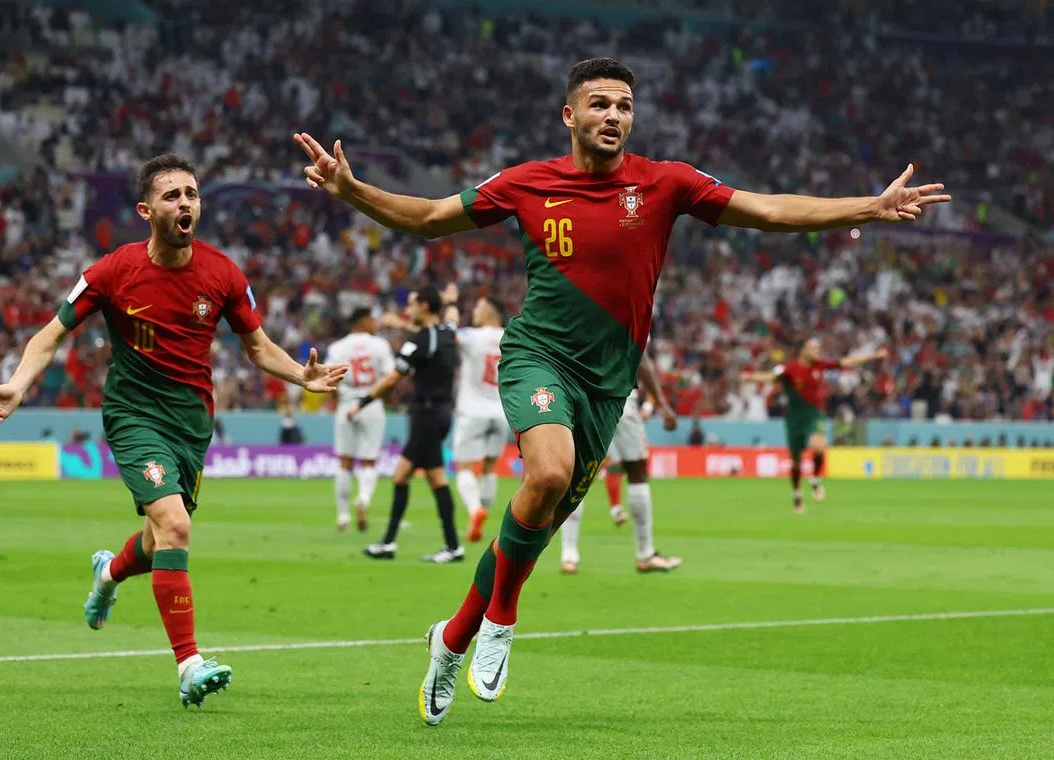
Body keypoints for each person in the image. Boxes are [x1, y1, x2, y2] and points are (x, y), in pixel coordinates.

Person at [294, 57, 948, 726]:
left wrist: (870, 206)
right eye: (600, 103)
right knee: (548, 473)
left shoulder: (666, 183)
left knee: (535, 526)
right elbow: (432, 216)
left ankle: (452, 639)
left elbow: (770, 209)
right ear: (569, 115)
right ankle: (502, 619)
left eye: (624, 106)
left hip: (609, 385)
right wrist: (352, 190)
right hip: (538, 356)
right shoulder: (527, 183)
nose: (613, 115)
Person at [0, 154, 346, 707]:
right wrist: (19, 385)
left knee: (156, 541)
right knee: (175, 525)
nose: (185, 203)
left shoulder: (223, 274)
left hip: (191, 425)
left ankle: (108, 574)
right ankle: (189, 665)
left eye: (191, 194)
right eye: (172, 196)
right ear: (147, 211)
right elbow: (49, 335)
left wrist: (301, 375)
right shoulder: (111, 271)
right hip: (134, 416)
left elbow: (259, 347)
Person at [358, 286, 462, 563]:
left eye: (413, 303)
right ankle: (446, 546)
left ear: (425, 306)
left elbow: (393, 378)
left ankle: (395, 544)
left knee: (412, 476)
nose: (409, 309)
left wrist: (363, 401)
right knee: (421, 476)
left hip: (426, 414)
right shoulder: (448, 332)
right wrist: (450, 301)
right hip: (441, 412)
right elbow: (452, 317)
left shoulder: (418, 340)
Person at [560, 352, 682, 573]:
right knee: (637, 472)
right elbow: (642, 359)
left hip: (585, 398)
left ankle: (569, 555)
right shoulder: (633, 325)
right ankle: (645, 554)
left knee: (578, 474)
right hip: (622, 399)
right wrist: (662, 404)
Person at [744, 339, 888, 512]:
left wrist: (873, 356)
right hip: (794, 418)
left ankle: (815, 479)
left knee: (819, 446)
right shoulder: (789, 369)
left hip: (814, 413)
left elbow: (847, 362)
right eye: (813, 348)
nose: (817, 351)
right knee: (796, 462)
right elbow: (770, 377)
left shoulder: (820, 365)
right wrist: (750, 377)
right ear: (803, 350)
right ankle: (797, 494)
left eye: (818, 348)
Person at [325, 308, 395, 532]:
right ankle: (363, 499)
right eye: (372, 319)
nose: (375, 322)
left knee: (345, 462)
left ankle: (343, 516)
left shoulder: (337, 348)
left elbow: (329, 378)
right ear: (363, 321)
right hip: (371, 404)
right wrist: (385, 400)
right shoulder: (380, 345)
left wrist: (339, 400)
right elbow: (390, 377)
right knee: (369, 461)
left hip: (347, 404)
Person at [450, 296, 508, 543]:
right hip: (501, 411)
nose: (474, 310)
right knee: (490, 467)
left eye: (478, 306)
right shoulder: (510, 337)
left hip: (472, 410)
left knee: (464, 467)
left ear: (490, 312)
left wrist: (451, 309)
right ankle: (483, 513)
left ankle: (475, 510)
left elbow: (448, 335)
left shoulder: (471, 335)